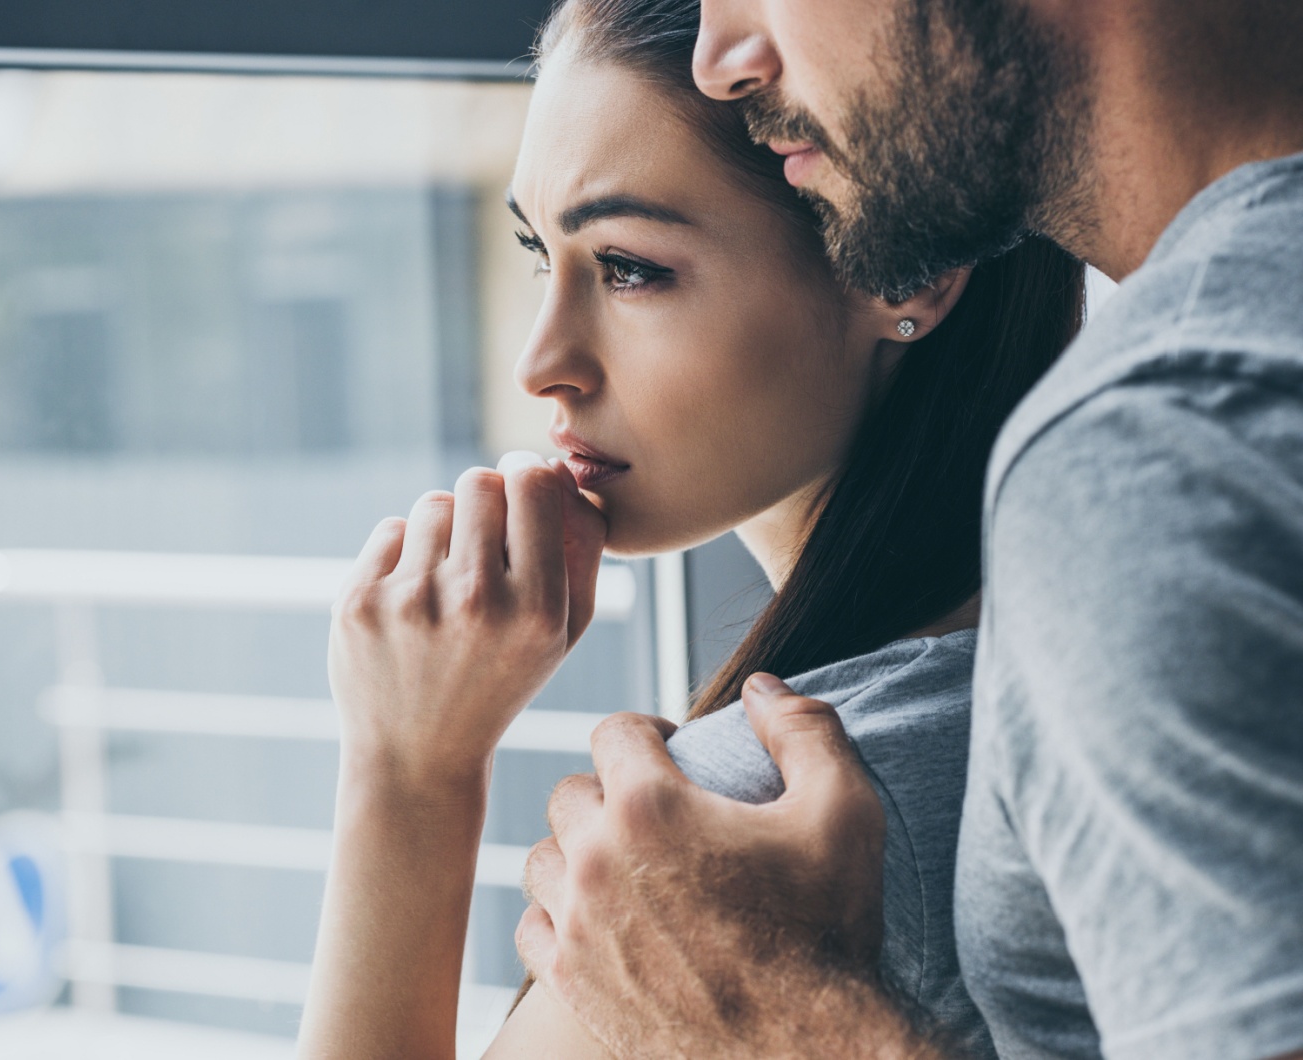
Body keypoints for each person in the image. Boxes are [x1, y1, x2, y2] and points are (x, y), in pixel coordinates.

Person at [515, 1, 1303, 1058]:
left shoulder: (1160, 446)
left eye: (630, 267)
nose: (723, 55)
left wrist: (786, 1023)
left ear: (910, 290)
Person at [294, 0, 1083, 1055]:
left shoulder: (770, 817)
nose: (541, 362)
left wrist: (406, 773)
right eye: (542, 253)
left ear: (905, 273)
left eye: (629, 268)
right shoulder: (1060, 666)